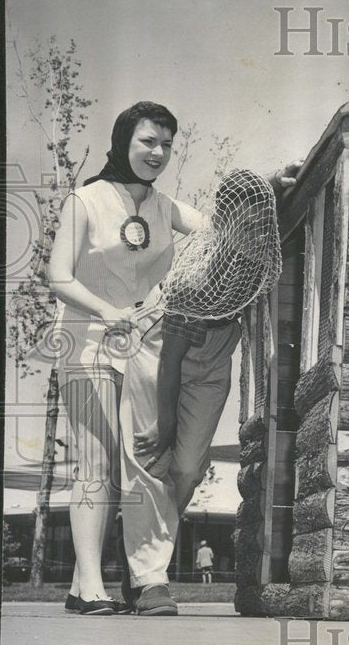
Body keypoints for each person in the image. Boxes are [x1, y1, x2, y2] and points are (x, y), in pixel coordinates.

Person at [120, 167, 299, 615]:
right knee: (151, 457)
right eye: (244, 222)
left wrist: (275, 185)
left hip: (217, 351)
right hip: (163, 347)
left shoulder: (260, 251)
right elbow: (170, 364)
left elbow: (259, 203)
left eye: (260, 221)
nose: (254, 229)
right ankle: (150, 579)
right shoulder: (194, 275)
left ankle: (144, 555)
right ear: (225, 224)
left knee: (188, 467)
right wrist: (164, 424)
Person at [47, 101, 203, 615]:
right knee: (95, 466)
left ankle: (84, 585)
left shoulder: (165, 207)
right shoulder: (85, 200)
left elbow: (219, 227)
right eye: (147, 142)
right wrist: (107, 309)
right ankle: (91, 586)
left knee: (140, 466)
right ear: (123, 142)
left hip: (142, 350)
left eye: (166, 145)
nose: (157, 153)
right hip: (87, 342)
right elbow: (59, 276)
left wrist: (271, 187)